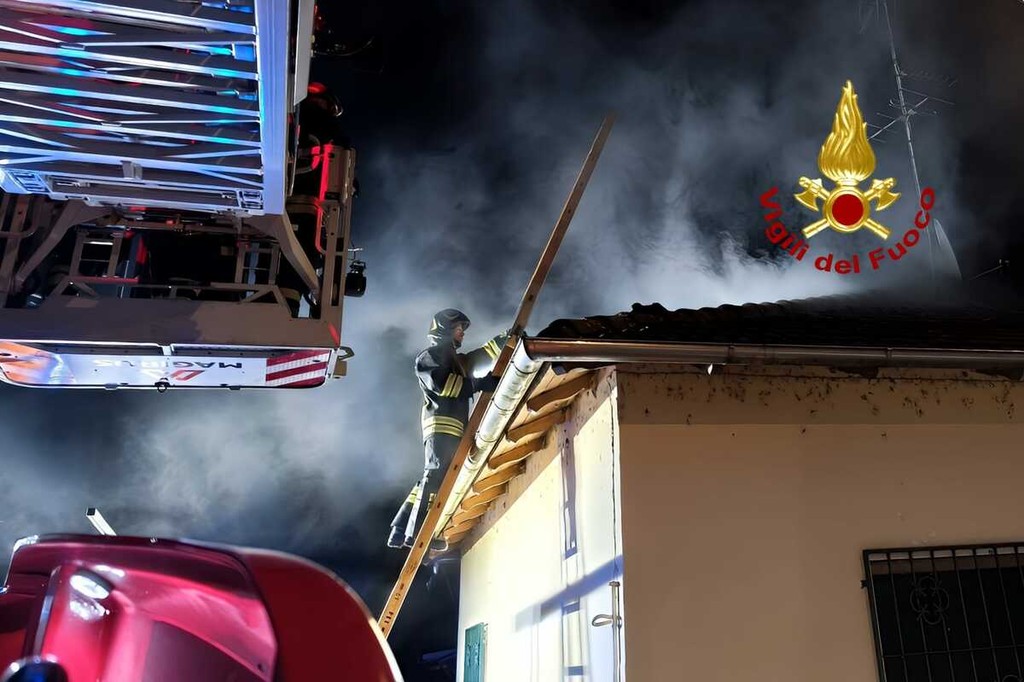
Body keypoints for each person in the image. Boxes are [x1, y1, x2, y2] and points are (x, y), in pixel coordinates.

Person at [388, 309, 509, 549]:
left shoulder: (456, 360)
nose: (462, 333)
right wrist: (479, 384)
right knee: (436, 478)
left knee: (431, 477)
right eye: (458, 328)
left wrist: (506, 339)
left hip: (451, 427)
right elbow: (442, 384)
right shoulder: (430, 356)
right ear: (444, 329)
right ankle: (418, 534)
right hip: (441, 425)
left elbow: (481, 356)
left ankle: (400, 529)